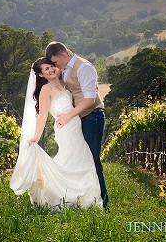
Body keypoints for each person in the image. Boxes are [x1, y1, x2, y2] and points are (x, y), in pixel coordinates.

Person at [10, 57, 102, 208]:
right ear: (41, 75)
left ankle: (78, 195)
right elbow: (43, 115)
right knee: (80, 156)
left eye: (51, 66)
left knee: (76, 158)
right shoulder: (46, 90)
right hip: (65, 129)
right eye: (46, 69)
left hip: (75, 124)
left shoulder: (64, 83)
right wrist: (36, 137)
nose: (51, 70)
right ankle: (71, 196)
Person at [45, 41, 109, 209]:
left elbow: (89, 100)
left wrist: (68, 115)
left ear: (64, 55)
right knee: (82, 158)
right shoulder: (64, 68)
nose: (55, 66)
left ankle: (104, 203)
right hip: (80, 117)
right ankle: (83, 197)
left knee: (93, 159)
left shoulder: (84, 67)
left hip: (92, 116)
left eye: (55, 62)